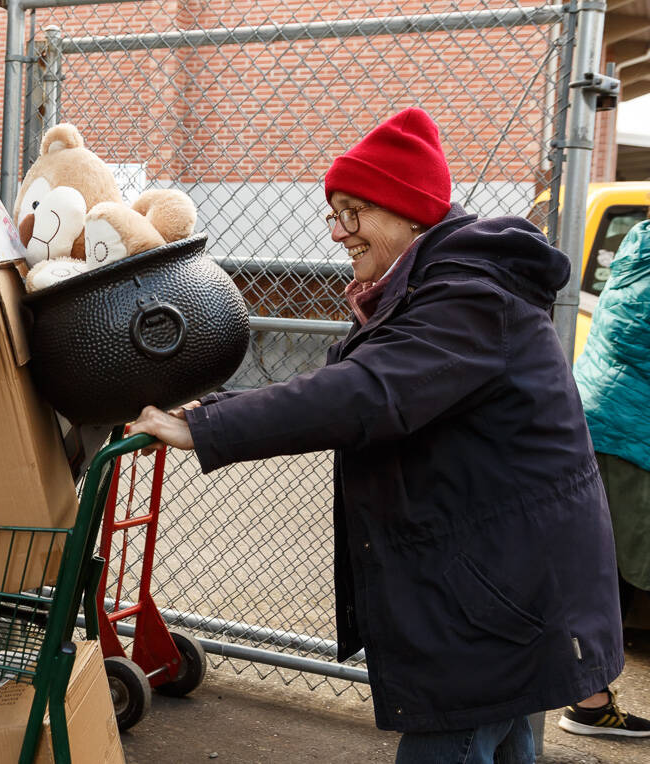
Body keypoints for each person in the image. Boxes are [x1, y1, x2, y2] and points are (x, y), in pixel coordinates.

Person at [127, 108, 625, 763]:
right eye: (334, 214)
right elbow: (351, 381)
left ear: (406, 212)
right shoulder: (432, 287)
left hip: (499, 595)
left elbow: (365, 393)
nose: (338, 233)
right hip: (503, 585)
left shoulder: (469, 297)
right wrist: (215, 406)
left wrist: (206, 425)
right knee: (499, 732)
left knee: (457, 734)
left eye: (352, 213)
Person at [561, 213, 650, 738]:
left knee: (600, 566)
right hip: (629, 436)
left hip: (599, 422)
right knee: (611, 571)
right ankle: (590, 704)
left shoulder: (639, 240)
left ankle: (589, 700)